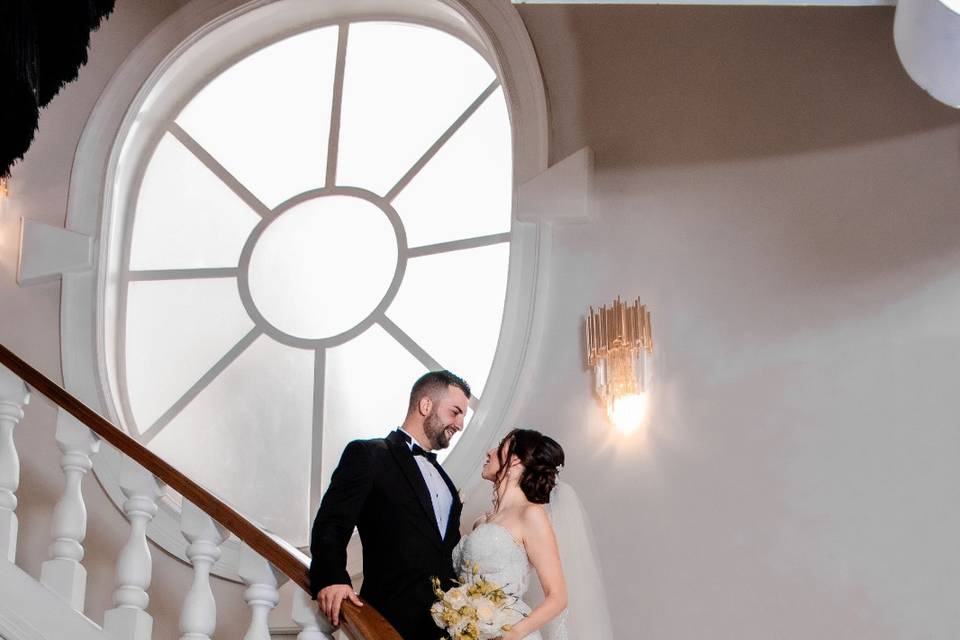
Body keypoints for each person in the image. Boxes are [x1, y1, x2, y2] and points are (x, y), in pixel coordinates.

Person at [309, 370, 471, 638]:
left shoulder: (447, 484)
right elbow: (332, 523)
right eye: (455, 412)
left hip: (444, 629)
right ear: (426, 405)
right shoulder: (368, 455)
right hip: (387, 619)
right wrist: (331, 578)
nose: (460, 423)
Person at [452, 429, 569, 640]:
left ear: (515, 461)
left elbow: (558, 597)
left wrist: (511, 634)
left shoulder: (531, 514)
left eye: (500, 446)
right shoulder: (482, 521)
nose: (489, 452)